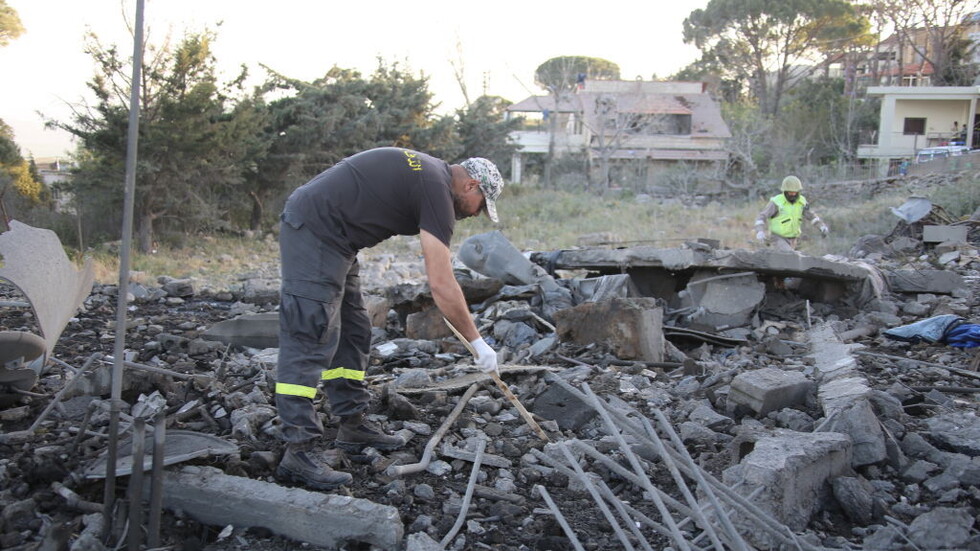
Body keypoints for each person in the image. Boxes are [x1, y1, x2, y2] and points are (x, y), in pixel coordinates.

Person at [274, 147, 504, 490]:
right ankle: (298, 449)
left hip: (338, 240)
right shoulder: (436, 190)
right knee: (311, 333)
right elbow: (441, 282)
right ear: (471, 186)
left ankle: (351, 424)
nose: (477, 214)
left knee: (353, 332)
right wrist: (477, 342)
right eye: (482, 206)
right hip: (315, 228)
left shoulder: (433, 177)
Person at [754, 175, 828, 252]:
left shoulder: (802, 202)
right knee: (790, 256)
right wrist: (760, 232)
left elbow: (811, 216)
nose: (793, 194)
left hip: (793, 239)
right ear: (785, 191)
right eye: (790, 192)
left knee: (790, 260)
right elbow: (761, 217)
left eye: (795, 192)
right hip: (778, 238)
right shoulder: (777, 202)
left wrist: (822, 226)